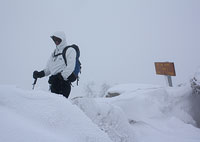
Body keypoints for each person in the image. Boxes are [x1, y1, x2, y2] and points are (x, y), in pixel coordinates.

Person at [33, 31, 77, 98]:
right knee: (54, 105)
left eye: (58, 39)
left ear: (63, 39)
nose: (56, 41)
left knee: (60, 105)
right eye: (54, 39)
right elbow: (49, 68)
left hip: (63, 84)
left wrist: (60, 77)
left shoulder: (70, 50)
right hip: (54, 84)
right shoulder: (54, 53)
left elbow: (71, 67)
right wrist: (40, 74)